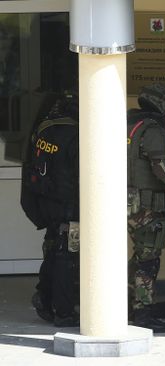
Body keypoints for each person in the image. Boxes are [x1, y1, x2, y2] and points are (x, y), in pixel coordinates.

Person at [127, 82, 165, 333]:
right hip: (146, 205)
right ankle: (143, 313)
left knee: (137, 259)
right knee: (148, 261)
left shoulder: (127, 123)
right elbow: (163, 169)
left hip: (121, 200)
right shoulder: (154, 130)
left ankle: (128, 306)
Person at [21, 93, 80, 327]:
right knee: (66, 257)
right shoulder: (76, 134)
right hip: (68, 205)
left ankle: (44, 298)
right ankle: (64, 313)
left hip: (47, 202)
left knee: (54, 250)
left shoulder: (45, 128)